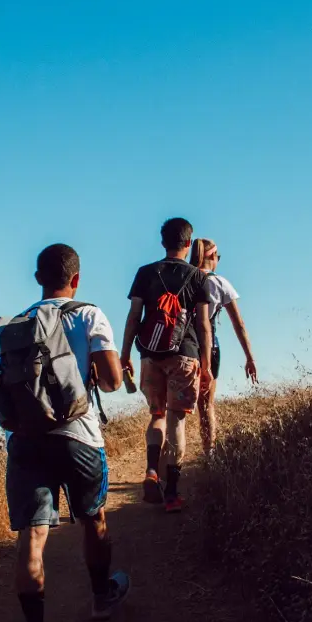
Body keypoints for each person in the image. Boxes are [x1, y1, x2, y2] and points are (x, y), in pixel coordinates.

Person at [0, 244, 130, 622]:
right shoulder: (89, 315)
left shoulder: (15, 326)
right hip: (79, 437)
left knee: (31, 538)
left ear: (37, 278)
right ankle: (101, 598)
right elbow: (111, 383)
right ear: (77, 278)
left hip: (29, 440)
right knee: (93, 518)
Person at [120, 218, 212, 513]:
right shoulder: (198, 277)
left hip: (150, 355)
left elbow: (134, 316)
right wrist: (207, 365)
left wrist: (124, 355)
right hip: (185, 355)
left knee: (156, 415)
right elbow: (203, 325)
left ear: (163, 243)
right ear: (189, 243)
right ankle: (171, 493)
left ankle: (150, 471)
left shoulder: (145, 273)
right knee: (176, 421)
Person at [190, 237, 258, 451]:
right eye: (217, 257)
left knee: (175, 407)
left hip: (182, 347)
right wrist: (249, 357)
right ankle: (209, 454)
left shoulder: (185, 278)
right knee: (206, 405)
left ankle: (171, 459)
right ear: (211, 256)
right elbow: (239, 324)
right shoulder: (219, 283)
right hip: (209, 347)